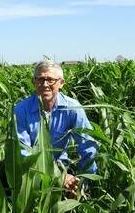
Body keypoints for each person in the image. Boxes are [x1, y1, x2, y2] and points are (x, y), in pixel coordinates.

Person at [14, 59, 98, 197]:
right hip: (29, 171)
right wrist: (57, 177)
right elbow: (23, 152)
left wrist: (83, 182)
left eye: (50, 80)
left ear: (61, 83)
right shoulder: (21, 110)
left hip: (60, 165)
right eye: (40, 79)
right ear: (34, 82)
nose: (45, 84)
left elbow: (88, 146)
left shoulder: (72, 108)